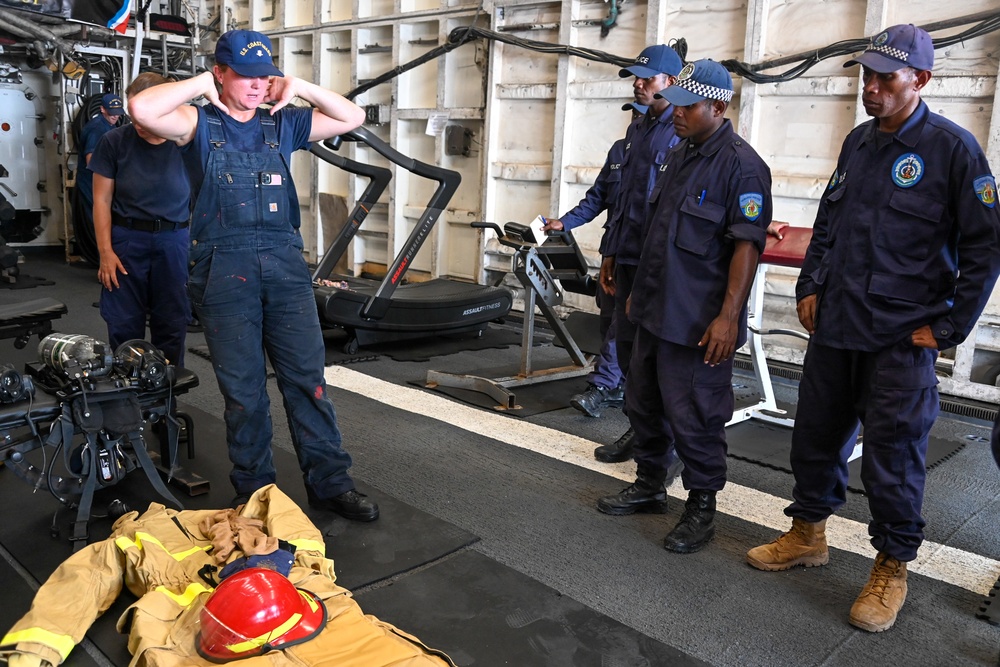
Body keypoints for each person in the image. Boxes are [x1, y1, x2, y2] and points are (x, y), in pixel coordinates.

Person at [746, 24, 1000, 632]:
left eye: (888, 77)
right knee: (816, 435)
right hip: (838, 326)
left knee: (893, 455)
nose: (874, 88)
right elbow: (827, 222)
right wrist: (809, 286)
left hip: (899, 337)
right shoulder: (859, 143)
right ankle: (808, 533)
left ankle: (891, 565)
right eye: (869, 75)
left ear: (921, 80)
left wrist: (950, 328)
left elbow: (985, 247)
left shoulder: (954, 150)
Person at [129, 29, 378, 521]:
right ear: (220, 72)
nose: (257, 85)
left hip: (284, 268)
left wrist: (299, 85)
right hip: (224, 271)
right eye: (244, 75)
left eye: (264, 75)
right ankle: (255, 493)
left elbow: (353, 116)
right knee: (244, 393)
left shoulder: (282, 124)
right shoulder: (194, 123)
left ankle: (330, 484)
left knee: (308, 382)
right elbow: (142, 110)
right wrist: (201, 82)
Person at [598, 60, 772, 557]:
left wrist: (728, 317)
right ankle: (651, 484)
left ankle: (701, 508)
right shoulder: (681, 154)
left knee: (696, 415)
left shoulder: (743, 167)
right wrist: (639, 292)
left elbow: (746, 248)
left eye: (686, 106)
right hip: (655, 309)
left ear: (717, 107)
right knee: (643, 401)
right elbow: (658, 230)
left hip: (698, 322)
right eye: (673, 104)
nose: (675, 114)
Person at [593, 44, 684, 463]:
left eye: (647, 78)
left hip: (656, 268)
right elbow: (622, 200)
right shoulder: (638, 130)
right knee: (630, 355)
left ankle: (666, 444)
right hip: (626, 257)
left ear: (671, 81)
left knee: (655, 361)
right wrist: (610, 253)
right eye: (637, 77)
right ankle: (641, 430)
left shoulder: (680, 134)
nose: (639, 84)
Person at [542, 102, 647, 419]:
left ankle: (601, 387)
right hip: (614, 254)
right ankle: (623, 387)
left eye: (643, 113)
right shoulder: (619, 151)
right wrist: (565, 223)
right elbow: (597, 197)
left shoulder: (671, 151)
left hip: (644, 258)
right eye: (633, 112)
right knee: (609, 322)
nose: (637, 118)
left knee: (620, 327)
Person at [90, 73, 191, 367]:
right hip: (126, 241)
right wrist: (105, 252)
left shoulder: (186, 141)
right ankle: (128, 401)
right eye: (133, 115)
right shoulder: (114, 141)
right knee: (123, 325)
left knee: (171, 325)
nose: (137, 123)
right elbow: (101, 200)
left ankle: (167, 400)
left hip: (174, 242)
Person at [76, 93, 124, 237]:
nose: (115, 116)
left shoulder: (109, 125)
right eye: (112, 113)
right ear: (103, 109)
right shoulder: (97, 128)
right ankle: (101, 256)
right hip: (92, 182)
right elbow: (91, 159)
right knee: (100, 220)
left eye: (118, 113)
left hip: (101, 182)